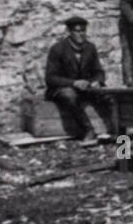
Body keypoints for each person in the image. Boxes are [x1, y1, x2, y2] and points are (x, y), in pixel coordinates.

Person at [44, 16, 108, 146]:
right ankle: (88, 130)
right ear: (70, 32)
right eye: (77, 31)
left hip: (85, 89)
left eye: (83, 31)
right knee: (70, 95)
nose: (81, 34)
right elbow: (50, 78)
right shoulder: (58, 49)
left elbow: (99, 71)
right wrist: (73, 83)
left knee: (110, 96)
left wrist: (97, 81)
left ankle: (119, 133)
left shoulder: (90, 48)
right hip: (61, 89)